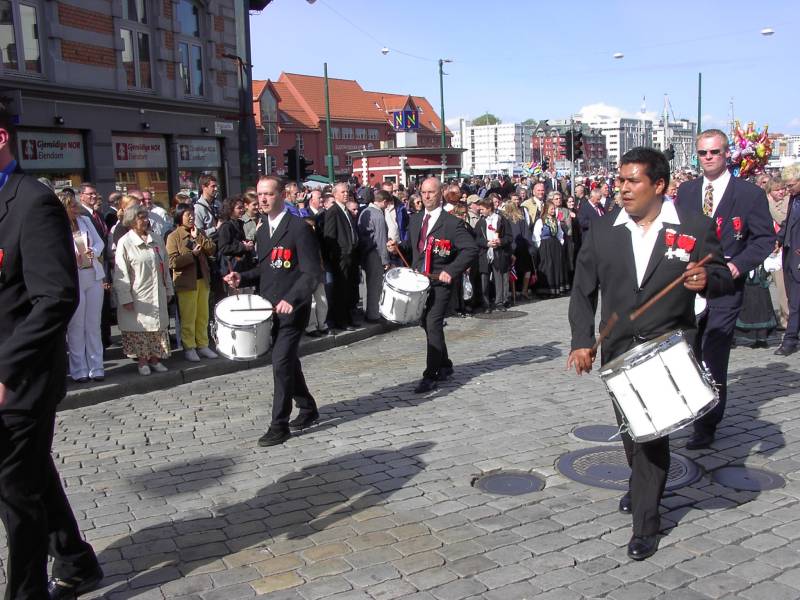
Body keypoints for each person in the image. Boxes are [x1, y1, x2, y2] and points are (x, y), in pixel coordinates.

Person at [568, 147, 733, 561]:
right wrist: (580, 341)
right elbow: (583, 291)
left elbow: (723, 278)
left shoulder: (694, 226)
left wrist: (705, 280)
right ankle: (640, 486)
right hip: (619, 351)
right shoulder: (604, 230)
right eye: (620, 180)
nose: (622, 189)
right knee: (630, 429)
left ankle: (647, 522)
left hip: (667, 349)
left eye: (632, 181)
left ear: (659, 185)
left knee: (651, 436)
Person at [0, 105, 103, 598]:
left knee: (14, 492)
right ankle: (76, 560)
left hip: (23, 375)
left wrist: (5, 367)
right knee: (32, 473)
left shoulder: (32, 203)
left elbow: (56, 298)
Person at [676, 129, 775, 449]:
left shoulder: (748, 195)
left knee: (714, 355)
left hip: (725, 287)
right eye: (703, 153)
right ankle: (691, 408)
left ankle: (707, 424)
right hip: (689, 286)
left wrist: (737, 265)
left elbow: (764, 239)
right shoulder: (688, 191)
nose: (708, 158)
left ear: (726, 153)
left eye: (714, 152)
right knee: (689, 353)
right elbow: (676, 233)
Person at [224, 176, 321, 446]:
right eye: (259, 195)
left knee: (280, 363)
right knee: (288, 361)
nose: (263, 199)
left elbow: (312, 272)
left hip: (293, 310)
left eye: (268, 194)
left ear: (281, 195)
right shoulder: (263, 229)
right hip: (268, 309)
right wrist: (241, 279)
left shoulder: (298, 227)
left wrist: (293, 298)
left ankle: (279, 424)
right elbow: (265, 271)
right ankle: (308, 407)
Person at [387, 177, 477, 393]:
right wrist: (397, 247)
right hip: (420, 283)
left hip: (439, 282)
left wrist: (451, 271)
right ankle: (445, 364)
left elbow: (470, 249)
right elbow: (413, 248)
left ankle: (431, 374)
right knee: (427, 324)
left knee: (433, 323)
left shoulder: (452, 223)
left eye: (431, 192)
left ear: (440, 194)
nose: (426, 196)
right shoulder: (416, 219)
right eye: (423, 192)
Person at [114, 205, 174, 375]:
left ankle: (155, 359)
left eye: (146, 217)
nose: (145, 221)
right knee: (140, 329)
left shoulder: (156, 239)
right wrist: (125, 297)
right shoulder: (125, 242)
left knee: (157, 327)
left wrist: (169, 289)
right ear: (132, 221)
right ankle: (142, 362)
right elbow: (120, 273)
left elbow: (165, 266)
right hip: (138, 293)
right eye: (141, 217)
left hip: (158, 291)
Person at [60, 191, 106, 383]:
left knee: (93, 324)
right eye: (72, 206)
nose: (76, 209)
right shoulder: (58, 226)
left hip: (92, 274)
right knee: (76, 326)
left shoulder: (85, 222)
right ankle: (79, 369)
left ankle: (97, 367)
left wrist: (92, 251)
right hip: (74, 277)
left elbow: (99, 242)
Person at [166, 203, 218, 362]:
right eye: (187, 214)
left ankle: (203, 344)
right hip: (186, 282)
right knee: (189, 316)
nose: (191, 217)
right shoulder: (173, 236)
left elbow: (211, 249)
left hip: (203, 279)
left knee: (203, 315)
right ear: (180, 216)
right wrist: (192, 255)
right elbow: (172, 262)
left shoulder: (198, 232)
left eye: (193, 214)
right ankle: (189, 347)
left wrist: (198, 237)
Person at [323, 182, 359, 331]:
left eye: (347, 191)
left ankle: (348, 319)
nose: (346, 194)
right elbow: (329, 236)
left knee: (349, 289)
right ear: (335, 194)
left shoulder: (345, 210)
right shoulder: (333, 211)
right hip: (341, 258)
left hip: (350, 256)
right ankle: (341, 321)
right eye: (343, 192)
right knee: (341, 290)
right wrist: (338, 255)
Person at [776, 165, 800, 354]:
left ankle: (790, 340)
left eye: (791, 185)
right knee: (792, 295)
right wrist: (779, 239)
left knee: (796, 300)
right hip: (789, 251)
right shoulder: (794, 198)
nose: (787, 189)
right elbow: (789, 221)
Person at [475, 195, 513, 311]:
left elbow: (509, 237)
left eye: (482, 209)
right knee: (484, 279)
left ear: (488, 208)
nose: (480, 211)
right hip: (485, 253)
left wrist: (500, 241)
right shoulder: (481, 222)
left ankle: (499, 302)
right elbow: (477, 239)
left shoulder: (501, 220)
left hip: (499, 253)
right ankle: (485, 303)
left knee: (499, 278)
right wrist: (487, 243)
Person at [358, 189, 390, 322]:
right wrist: (385, 260)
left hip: (364, 251)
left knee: (367, 284)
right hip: (374, 253)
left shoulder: (364, 212)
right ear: (384, 201)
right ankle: (373, 314)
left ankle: (367, 310)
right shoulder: (378, 215)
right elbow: (381, 240)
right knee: (375, 285)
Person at [766, 177, 790, 329]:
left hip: (784, 248)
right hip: (770, 249)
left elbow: (782, 220)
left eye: (782, 188)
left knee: (783, 288)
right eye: (777, 189)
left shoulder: (788, 201)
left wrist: (769, 204)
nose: (781, 192)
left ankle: (787, 320)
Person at [502, 197, 535, 300]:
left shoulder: (504, 220)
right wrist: (530, 247)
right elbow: (527, 235)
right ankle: (524, 291)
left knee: (512, 270)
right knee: (526, 270)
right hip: (522, 247)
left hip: (512, 248)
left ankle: (513, 292)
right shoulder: (521, 219)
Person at [533, 201, 569, 296]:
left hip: (555, 245)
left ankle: (557, 289)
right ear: (546, 209)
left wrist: (560, 243)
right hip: (545, 245)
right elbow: (536, 236)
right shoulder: (541, 221)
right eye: (551, 209)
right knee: (547, 266)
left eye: (554, 209)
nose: (553, 211)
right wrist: (540, 247)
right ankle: (546, 290)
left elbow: (560, 233)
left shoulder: (555, 221)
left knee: (556, 266)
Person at [217, 196, 255, 275]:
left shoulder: (238, 223)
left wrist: (247, 243)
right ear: (230, 209)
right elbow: (223, 248)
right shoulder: (226, 226)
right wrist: (243, 247)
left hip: (242, 265)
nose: (242, 210)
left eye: (242, 207)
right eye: (239, 208)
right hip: (232, 267)